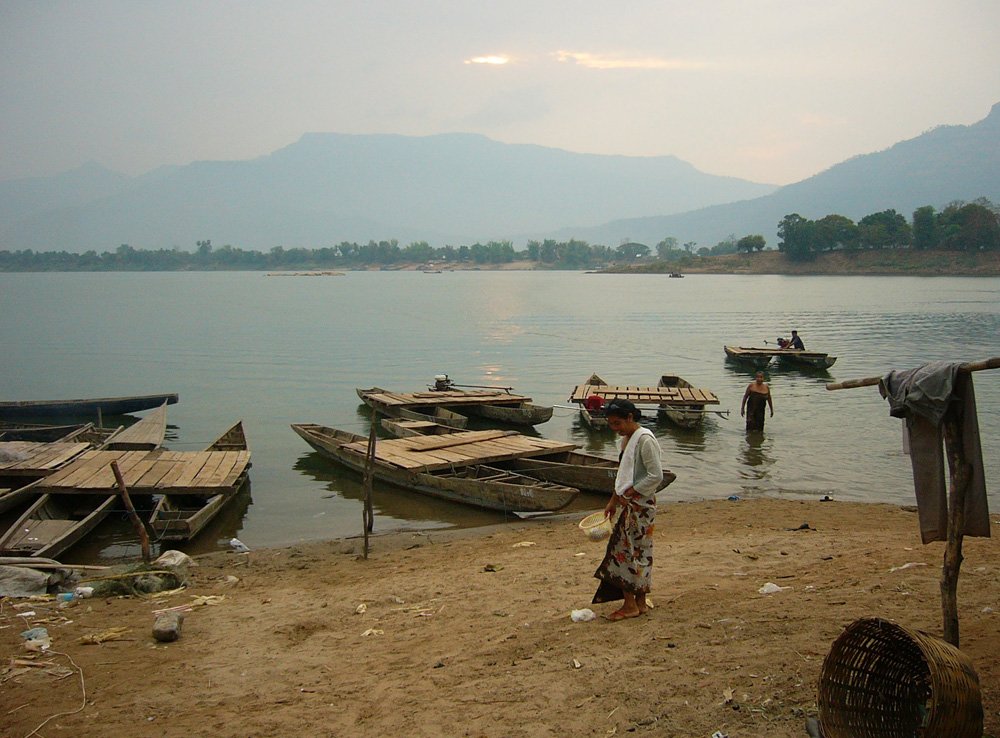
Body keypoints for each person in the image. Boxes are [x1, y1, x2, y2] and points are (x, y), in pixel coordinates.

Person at [592, 399, 664, 621]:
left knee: (624, 553)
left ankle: (630, 605)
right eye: (611, 424)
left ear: (630, 418)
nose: (615, 428)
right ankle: (640, 603)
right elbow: (624, 473)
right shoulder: (627, 441)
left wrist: (630, 494)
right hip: (628, 503)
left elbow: (655, 476)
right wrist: (613, 500)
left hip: (640, 507)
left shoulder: (644, 441)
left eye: (618, 423)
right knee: (637, 552)